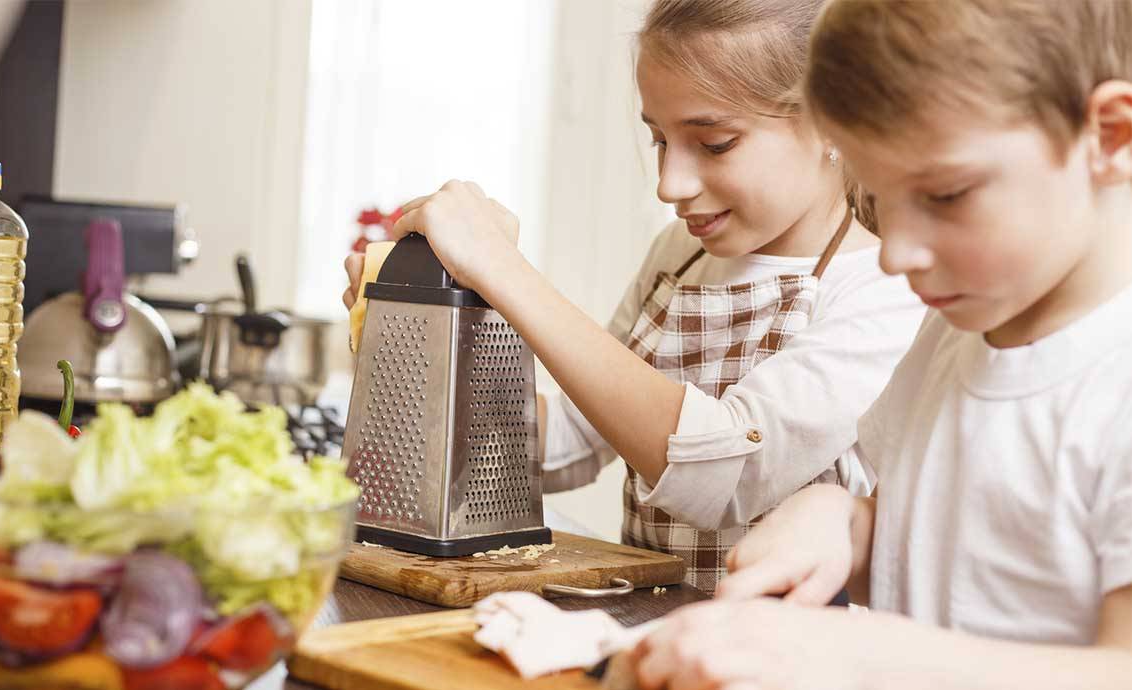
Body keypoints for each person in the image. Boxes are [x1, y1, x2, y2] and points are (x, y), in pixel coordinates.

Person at [631, 1, 1132, 687]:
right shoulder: (953, 334)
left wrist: (855, 654)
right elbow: (942, 540)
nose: (895, 252)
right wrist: (840, 519)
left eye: (946, 195)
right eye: (880, 195)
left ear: (1109, 134)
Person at [345, 0, 923, 592]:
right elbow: (562, 441)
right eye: (658, 141)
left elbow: (725, 474)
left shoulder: (884, 293)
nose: (670, 184)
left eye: (716, 143)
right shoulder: (679, 255)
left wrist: (505, 274)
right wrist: (425, 337)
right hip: (649, 636)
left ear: (833, 123)